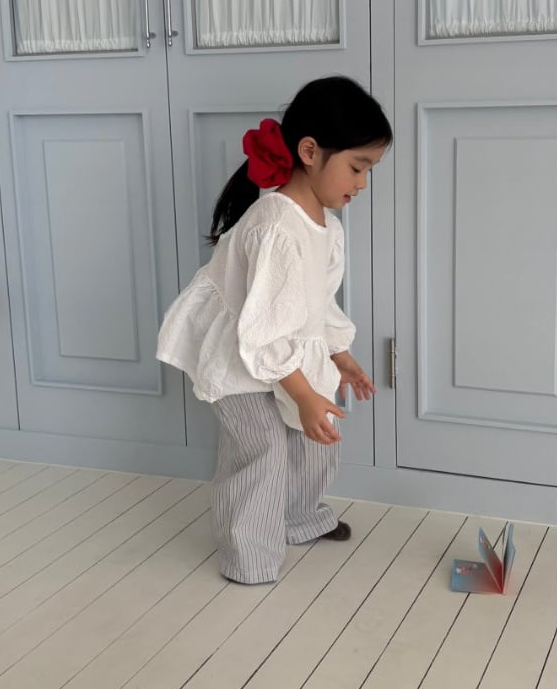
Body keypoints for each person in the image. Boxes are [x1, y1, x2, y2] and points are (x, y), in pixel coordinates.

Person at [156, 75, 392, 584]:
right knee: (262, 449)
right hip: (241, 358)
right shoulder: (275, 225)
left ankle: (299, 518)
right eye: (357, 167)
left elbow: (317, 303)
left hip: (279, 351)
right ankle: (248, 555)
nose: (362, 184)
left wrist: (339, 355)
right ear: (310, 151)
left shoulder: (327, 227)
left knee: (314, 436)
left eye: (369, 170)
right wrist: (303, 394)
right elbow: (261, 332)